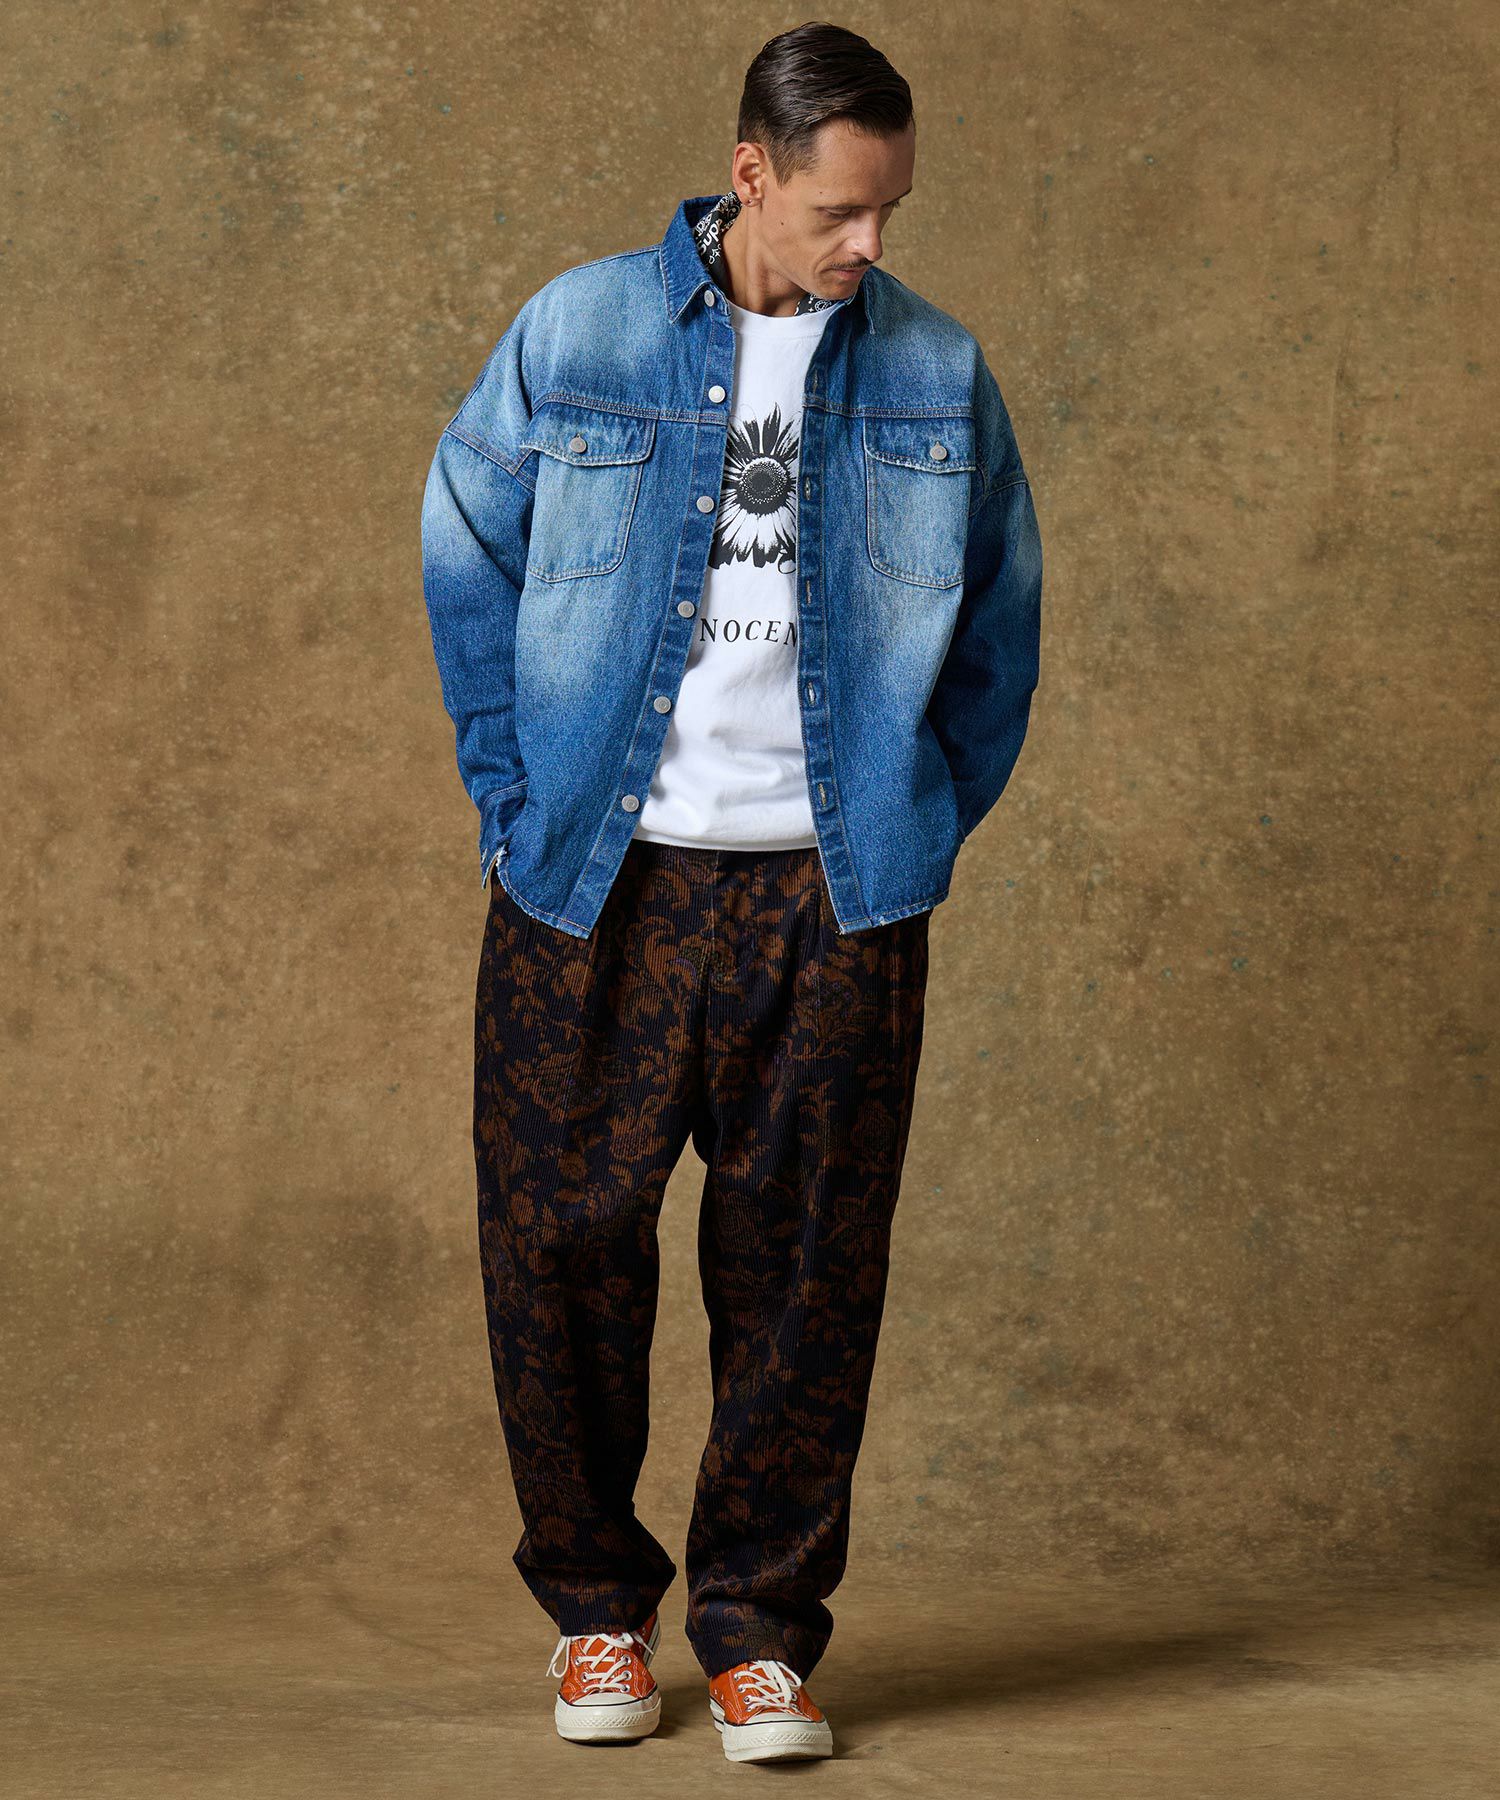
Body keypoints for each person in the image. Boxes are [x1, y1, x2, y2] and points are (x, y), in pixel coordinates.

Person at [419, 20, 1042, 1765]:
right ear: (751, 173)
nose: (872, 244)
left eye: (892, 210)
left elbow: (1000, 629)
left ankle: (762, 1633)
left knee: (808, 1274)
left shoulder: (936, 372)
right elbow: (464, 543)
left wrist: (913, 823)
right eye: (842, 211)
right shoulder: (582, 331)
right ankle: (596, 1615)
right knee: (560, 1251)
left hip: (833, 907)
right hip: (592, 887)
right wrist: (512, 795)